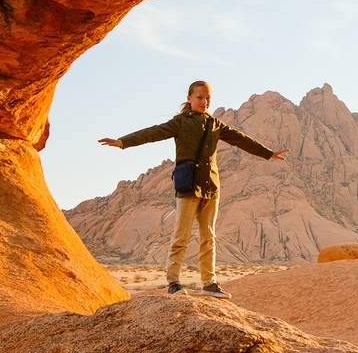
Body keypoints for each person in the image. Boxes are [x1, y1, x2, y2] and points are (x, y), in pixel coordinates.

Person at [100, 78, 284, 296]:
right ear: (189, 99)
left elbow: (241, 139)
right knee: (181, 236)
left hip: (211, 187)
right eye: (200, 97)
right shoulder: (180, 122)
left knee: (209, 237)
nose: (204, 102)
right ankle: (173, 282)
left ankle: (209, 283)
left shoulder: (216, 124)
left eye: (208, 98)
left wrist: (268, 153)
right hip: (188, 186)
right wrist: (123, 142)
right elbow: (152, 132)